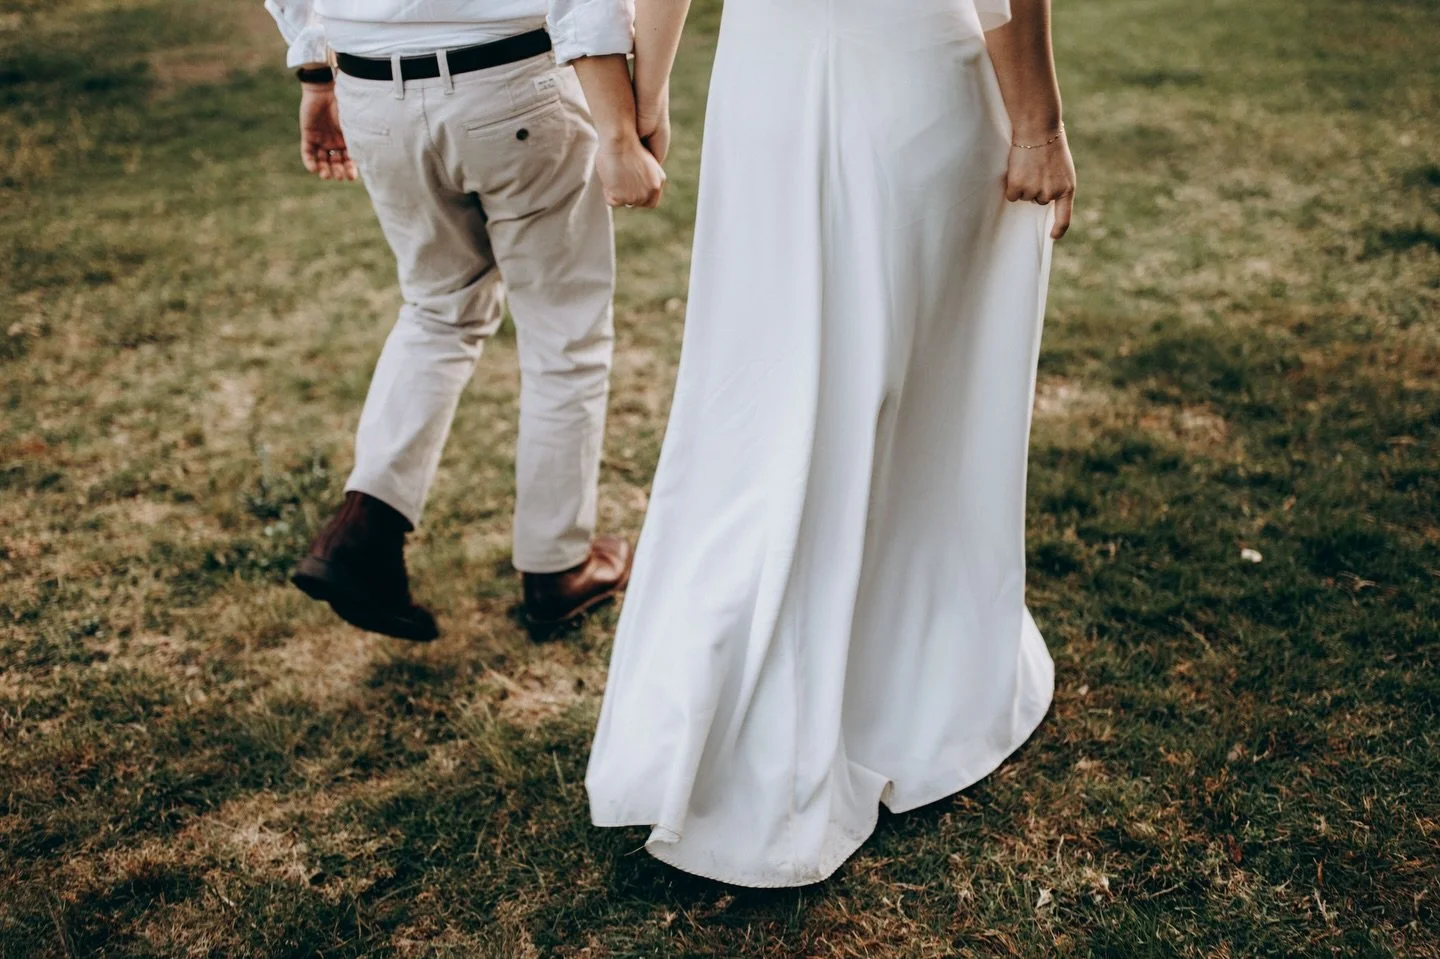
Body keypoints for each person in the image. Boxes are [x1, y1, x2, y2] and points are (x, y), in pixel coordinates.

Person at [585, 0, 1077, 885]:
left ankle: (737, 708)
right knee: (913, 392)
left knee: (773, 397)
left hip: (767, 83)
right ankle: (900, 687)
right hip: (909, 73)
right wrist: (1038, 124)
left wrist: (645, 90)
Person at [263, 0, 666, 640]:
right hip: (510, 80)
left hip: (371, 87)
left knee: (436, 309)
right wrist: (619, 132)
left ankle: (361, 533)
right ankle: (557, 566)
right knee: (565, 333)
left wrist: (316, 71)